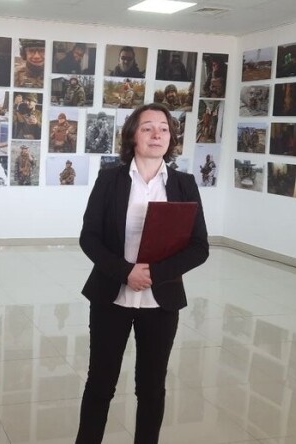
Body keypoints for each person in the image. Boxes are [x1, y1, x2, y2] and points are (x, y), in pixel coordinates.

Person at [76, 102, 209, 444]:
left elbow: (199, 246)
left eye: (164, 129)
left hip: (160, 301)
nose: (157, 134)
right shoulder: (110, 180)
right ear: (133, 135)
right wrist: (126, 273)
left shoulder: (184, 184)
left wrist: (153, 274)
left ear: (171, 138)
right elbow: (89, 238)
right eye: (147, 127)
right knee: (100, 384)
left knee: (151, 388)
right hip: (111, 296)